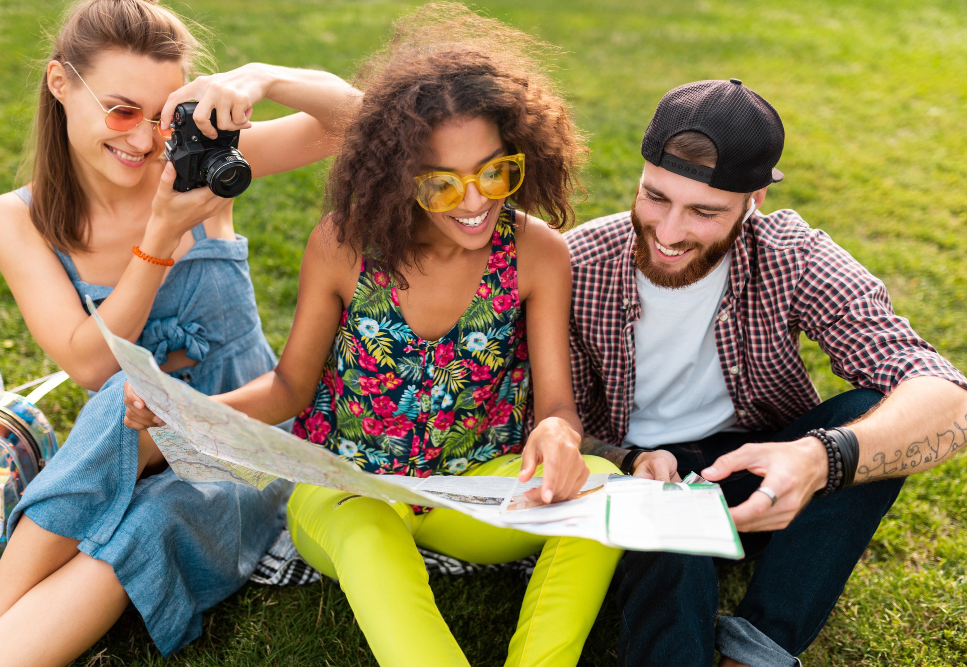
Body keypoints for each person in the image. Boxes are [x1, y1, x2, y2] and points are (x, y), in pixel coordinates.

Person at [123, 4, 621, 666]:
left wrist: (557, 434)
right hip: (346, 488)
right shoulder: (343, 243)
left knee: (605, 487)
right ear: (399, 174)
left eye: (495, 172)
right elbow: (291, 386)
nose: (475, 202)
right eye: (443, 184)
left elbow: (557, 404)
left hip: (474, 488)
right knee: (363, 523)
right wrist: (183, 415)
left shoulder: (537, 251)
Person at [0, 0, 359, 664]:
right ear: (61, 85)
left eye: (162, 115)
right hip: (121, 431)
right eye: (122, 110)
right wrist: (159, 237)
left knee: (145, 519)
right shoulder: (17, 217)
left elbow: (362, 125)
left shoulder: (199, 165)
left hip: (246, 439)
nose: (145, 141)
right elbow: (90, 365)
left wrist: (262, 77)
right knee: (118, 398)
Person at [567, 79, 967, 667]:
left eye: (705, 211)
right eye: (655, 197)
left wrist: (820, 459)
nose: (671, 232)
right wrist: (627, 460)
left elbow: (945, 396)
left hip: (757, 477)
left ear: (754, 200)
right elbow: (538, 416)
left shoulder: (792, 254)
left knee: (867, 421)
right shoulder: (577, 263)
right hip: (630, 478)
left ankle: (758, 651)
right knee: (668, 523)